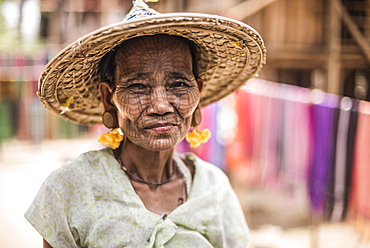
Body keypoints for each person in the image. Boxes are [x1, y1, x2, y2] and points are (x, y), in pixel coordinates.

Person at [25, 0, 266, 247]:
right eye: (137, 87)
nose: (160, 106)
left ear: (199, 94)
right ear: (109, 99)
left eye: (179, 85)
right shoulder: (72, 187)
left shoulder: (214, 189)